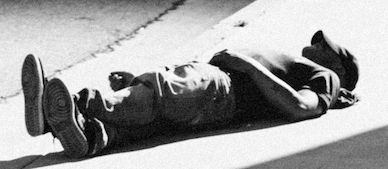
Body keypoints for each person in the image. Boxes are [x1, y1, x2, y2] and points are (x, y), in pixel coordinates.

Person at [21, 30, 359, 159]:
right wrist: (134, 86)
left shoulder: (327, 78)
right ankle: (79, 133)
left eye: (324, 45)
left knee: (162, 90)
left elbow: (300, 107)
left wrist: (245, 65)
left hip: (224, 86)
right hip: (217, 100)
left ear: (339, 70)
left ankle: (74, 104)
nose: (315, 43)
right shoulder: (309, 69)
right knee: (148, 115)